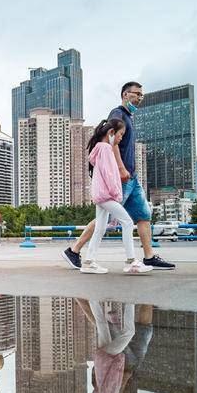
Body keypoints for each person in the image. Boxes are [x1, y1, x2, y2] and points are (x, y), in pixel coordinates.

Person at [64, 81, 175, 271]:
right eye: (136, 94)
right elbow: (112, 144)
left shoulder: (130, 117)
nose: (139, 97)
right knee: (108, 220)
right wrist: (122, 170)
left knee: (143, 216)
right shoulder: (118, 114)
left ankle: (148, 257)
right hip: (120, 178)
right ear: (125, 94)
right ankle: (75, 250)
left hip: (132, 177)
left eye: (142, 95)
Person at [81, 118, 152, 274]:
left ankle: (88, 262)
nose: (121, 138)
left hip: (100, 195)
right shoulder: (106, 149)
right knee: (127, 222)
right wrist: (117, 195)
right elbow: (110, 175)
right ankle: (131, 262)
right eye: (120, 134)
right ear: (111, 132)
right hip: (107, 195)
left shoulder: (100, 149)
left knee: (100, 228)